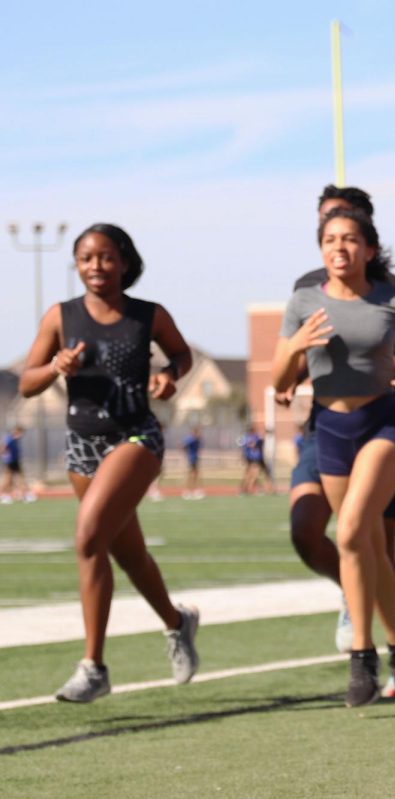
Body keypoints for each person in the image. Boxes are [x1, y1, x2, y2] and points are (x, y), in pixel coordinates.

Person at [18, 223, 201, 703]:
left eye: (105, 257)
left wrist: (169, 374)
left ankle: (93, 666)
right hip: (82, 445)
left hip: (136, 436)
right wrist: (55, 367)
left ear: (124, 262)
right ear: (76, 265)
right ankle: (177, 623)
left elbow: (182, 355)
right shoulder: (60, 316)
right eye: (85, 258)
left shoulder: (148, 315)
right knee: (128, 553)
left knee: (87, 536)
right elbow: (27, 383)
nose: (95, 266)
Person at [279, 185, 395, 698]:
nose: (338, 247)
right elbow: (281, 377)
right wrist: (296, 348)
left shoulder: (392, 295)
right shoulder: (304, 298)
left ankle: (361, 657)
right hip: (330, 429)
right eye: (329, 238)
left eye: (349, 238)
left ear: (369, 247)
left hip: (384, 424)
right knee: (363, 544)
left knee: (351, 534)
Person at [0, 425, 35, 503]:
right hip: (10, 462)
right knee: (9, 479)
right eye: (21, 433)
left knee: (19, 478)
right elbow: (3, 448)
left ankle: (25, 494)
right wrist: (6, 456)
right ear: (17, 431)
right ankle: (4, 495)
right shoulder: (9, 439)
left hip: (15, 461)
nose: (21, 435)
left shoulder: (15, 439)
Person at [237, 426, 274, 495]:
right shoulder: (254, 437)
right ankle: (247, 489)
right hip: (255, 459)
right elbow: (251, 445)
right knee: (253, 475)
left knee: (251, 475)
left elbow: (243, 447)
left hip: (253, 459)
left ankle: (246, 489)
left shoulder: (247, 437)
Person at [182, 426, 204, 499]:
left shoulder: (198, 440)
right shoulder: (191, 439)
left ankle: (194, 490)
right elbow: (183, 446)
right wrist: (187, 454)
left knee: (196, 475)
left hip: (195, 459)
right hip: (191, 459)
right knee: (191, 475)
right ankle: (187, 491)